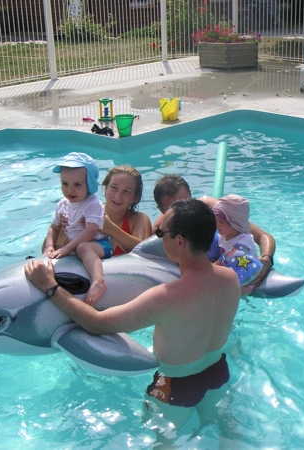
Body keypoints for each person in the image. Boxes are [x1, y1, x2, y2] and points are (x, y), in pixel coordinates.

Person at [25, 198, 240, 435]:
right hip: (218, 371)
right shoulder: (230, 280)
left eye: (160, 232)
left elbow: (96, 324)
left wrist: (50, 287)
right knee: (227, 429)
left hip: (175, 385)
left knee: (163, 442)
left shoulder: (166, 297)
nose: (158, 237)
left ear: (179, 241)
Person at [152, 174, 276, 280]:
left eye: (187, 201)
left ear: (191, 194)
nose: (184, 210)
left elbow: (263, 236)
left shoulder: (214, 210)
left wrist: (266, 260)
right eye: (175, 208)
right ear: (162, 210)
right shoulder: (161, 232)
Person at [41, 152, 112, 304]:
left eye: (77, 185)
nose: (70, 190)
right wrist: (50, 246)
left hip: (99, 246)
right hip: (75, 246)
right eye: (64, 184)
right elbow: (53, 227)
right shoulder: (62, 204)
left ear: (90, 185)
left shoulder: (92, 204)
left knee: (82, 248)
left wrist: (66, 249)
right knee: (55, 250)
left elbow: (91, 231)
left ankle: (98, 281)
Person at [212, 194, 263, 295]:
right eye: (216, 220)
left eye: (221, 222)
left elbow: (231, 256)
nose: (217, 224)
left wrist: (209, 268)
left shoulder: (244, 239)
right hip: (231, 269)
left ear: (235, 223)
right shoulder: (223, 234)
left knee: (226, 293)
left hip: (248, 276)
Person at [99, 165, 152, 255]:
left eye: (126, 192)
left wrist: (111, 229)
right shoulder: (89, 213)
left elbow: (144, 252)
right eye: (114, 188)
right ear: (105, 188)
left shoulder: (138, 219)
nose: (118, 197)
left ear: (134, 197)